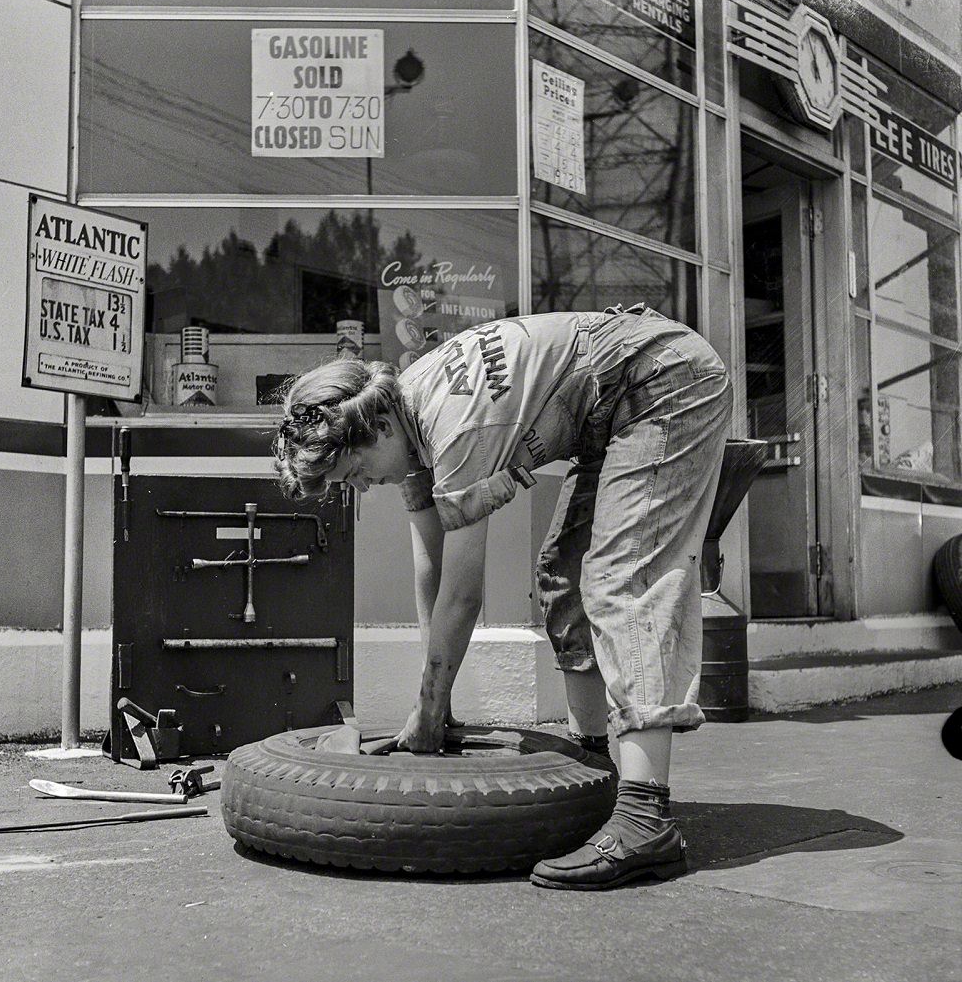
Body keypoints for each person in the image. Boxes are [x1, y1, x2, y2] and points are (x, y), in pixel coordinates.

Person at [273, 304, 732, 890]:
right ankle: (595, 767)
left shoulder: (456, 428)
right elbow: (431, 563)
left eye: (353, 471)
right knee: (563, 574)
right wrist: (431, 701)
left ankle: (646, 817)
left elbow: (464, 595)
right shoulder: (402, 413)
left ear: (376, 428)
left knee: (623, 576)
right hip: (609, 402)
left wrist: (431, 710)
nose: (361, 487)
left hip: (666, 380)